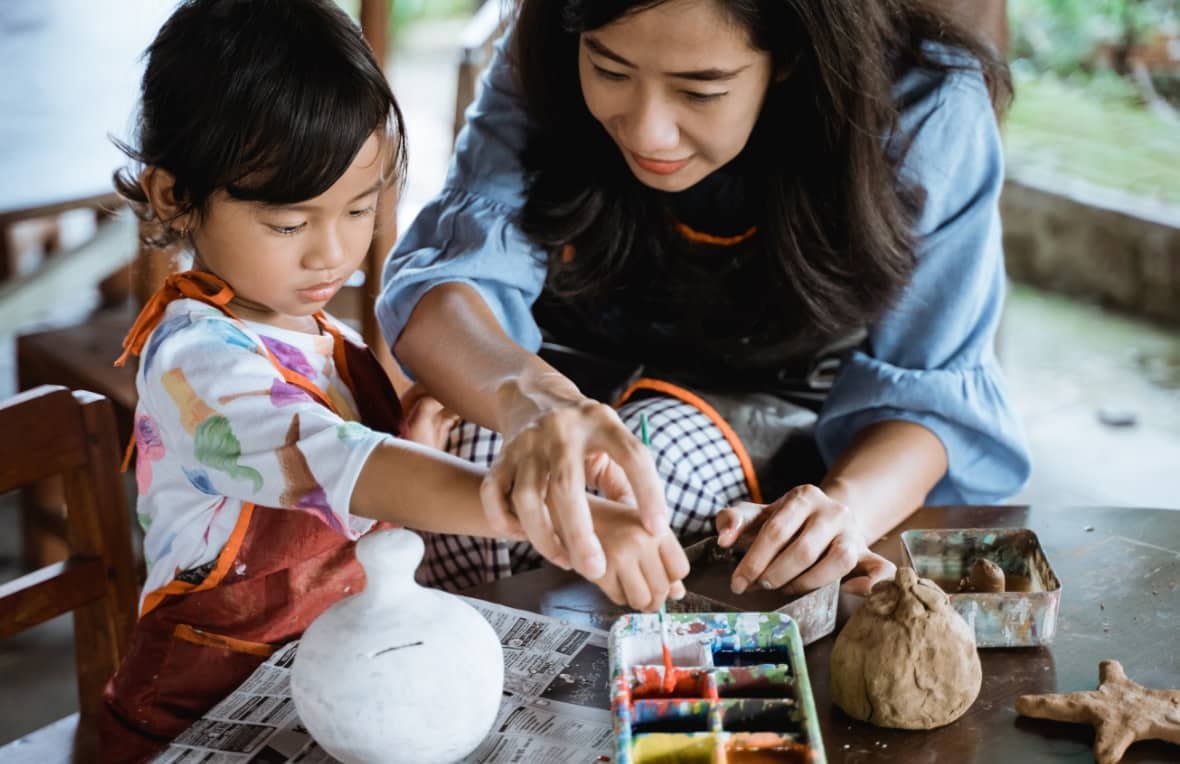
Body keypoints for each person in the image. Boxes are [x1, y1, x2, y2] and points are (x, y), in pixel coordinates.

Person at [97, 1, 689, 759]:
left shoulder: (318, 333)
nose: (332, 253)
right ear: (174, 196)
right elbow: (337, 464)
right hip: (201, 708)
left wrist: (411, 428)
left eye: (360, 208)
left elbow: (342, 469)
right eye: (290, 223)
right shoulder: (195, 366)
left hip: (326, 679)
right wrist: (537, 511)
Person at [378, 0, 1032, 597]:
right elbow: (453, 280)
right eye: (610, 71)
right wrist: (524, 398)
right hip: (559, 368)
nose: (648, 131)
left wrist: (841, 510)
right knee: (481, 477)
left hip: (784, 419)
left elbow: (933, 393)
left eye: (701, 89)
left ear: (790, 56)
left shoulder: (924, 109)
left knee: (657, 488)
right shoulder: (550, 34)